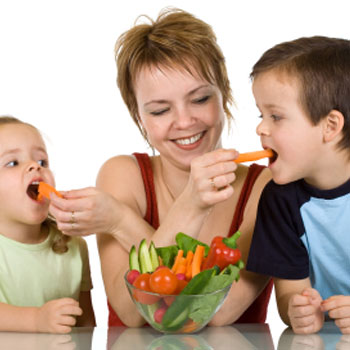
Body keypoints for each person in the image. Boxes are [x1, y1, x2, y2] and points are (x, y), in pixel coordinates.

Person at [49, 8, 272, 327]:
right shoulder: (122, 175)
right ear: (139, 116)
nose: (183, 121)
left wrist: (121, 221)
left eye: (199, 99)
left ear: (223, 93)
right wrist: (187, 206)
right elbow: (133, 313)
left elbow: (213, 313)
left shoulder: (266, 188)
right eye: (160, 110)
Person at [246, 36, 350, 334]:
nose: (260, 128)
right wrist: (300, 311)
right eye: (261, 114)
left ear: (330, 126)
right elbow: (288, 297)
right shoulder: (279, 201)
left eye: (276, 116)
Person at [0, 116, 96, 333]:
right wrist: (35, 320)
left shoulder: (73, 245)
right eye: (13, 163)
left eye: (42, 162)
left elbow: (85, 324)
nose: (35, 166)